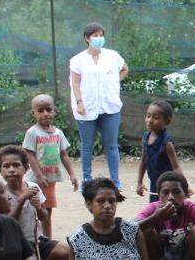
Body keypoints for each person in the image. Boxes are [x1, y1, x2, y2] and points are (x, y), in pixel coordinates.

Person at [69, 22, 128, 187]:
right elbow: (75, 83)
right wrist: (80, 102)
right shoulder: (77, 60)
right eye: (95, 36)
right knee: (87, 145)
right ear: (87, 38)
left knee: (111, 145)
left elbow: (124, 69)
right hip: (87, 108)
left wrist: (114, 82)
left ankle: (115, 180)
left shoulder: (112, 56)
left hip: (110, 107)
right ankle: (86, 179)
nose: (99, 38)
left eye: (101, 35)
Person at [0, 146, 70, 260]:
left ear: (26, 168)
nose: (11, 169)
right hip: (14, 244)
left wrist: (39, 208)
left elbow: (44, 217)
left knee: (65, 251)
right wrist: (21, 200)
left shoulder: (33, 187)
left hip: (36, 240)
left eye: (16, 165)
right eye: (6, 166)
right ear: (0, 170)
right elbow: (6, 226)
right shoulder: (1, 194)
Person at [21, 94, 78, 238]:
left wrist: (72, 174)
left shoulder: (58, 133)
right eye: (40, 110)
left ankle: (47, 240)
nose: (45, 114)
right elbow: (30, 155)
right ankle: (29, 237)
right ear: (34, 113)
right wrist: (39, 175)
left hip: (50, 181)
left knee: (47, 211)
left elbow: (63, 155)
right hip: (35, 181)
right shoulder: (32, 132)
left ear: (54, 111)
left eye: (48, 109)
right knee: (31, 210)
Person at [135, 171, 195, 260]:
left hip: (187, 256)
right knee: (143, 229)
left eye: (176, 192)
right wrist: (155, 218)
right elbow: (127, 228)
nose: (171, 197)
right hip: (159, 254)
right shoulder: (153, 208)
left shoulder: (194, 208)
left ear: (186, 194)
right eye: (165, 192)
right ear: (159, 195)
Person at [68, 177, 147, 259]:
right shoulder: (77, 240)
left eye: (112, 201)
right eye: (100, 201)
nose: (107, 206)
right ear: (89, 204)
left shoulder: (132, 230)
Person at [135, 100, 182, 203]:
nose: (150, 120)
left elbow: (176, 167)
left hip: (167, 186)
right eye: (148, 116)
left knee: (167, 210)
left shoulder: (167, 143)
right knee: (155, 210)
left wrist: (184, 186)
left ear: (167, 121)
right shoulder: (145, 137)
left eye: (155, 118)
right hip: (154, 184)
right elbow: (143, 161)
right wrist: (139, 182)